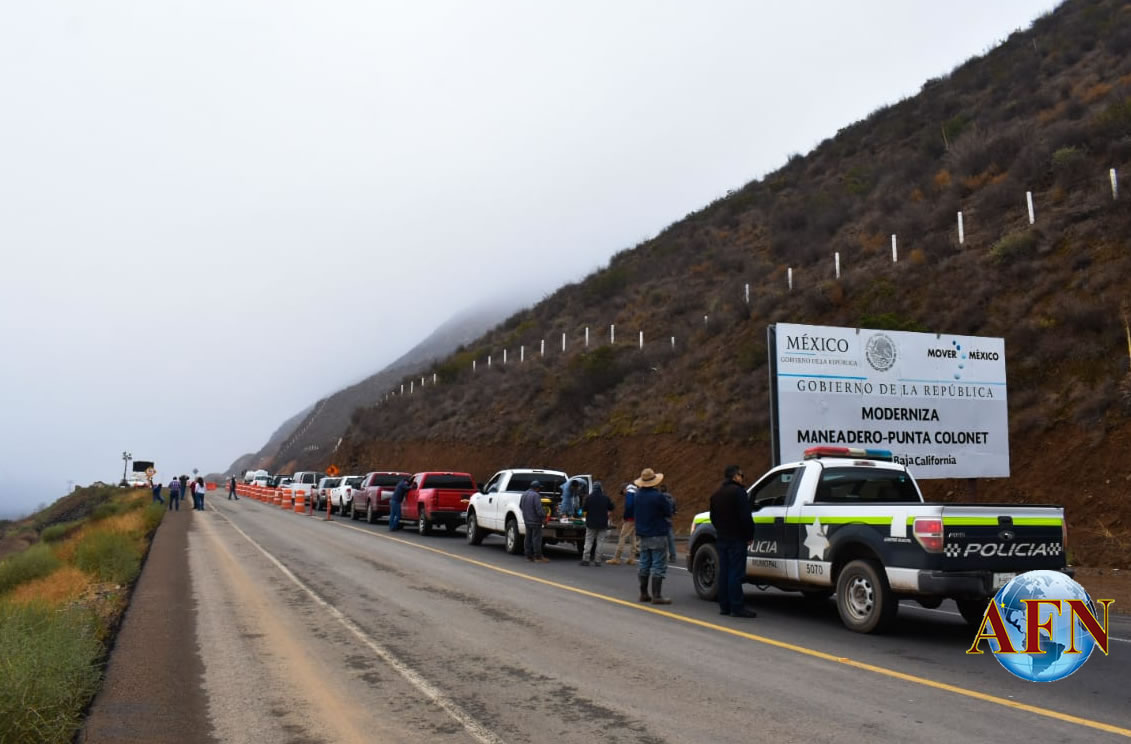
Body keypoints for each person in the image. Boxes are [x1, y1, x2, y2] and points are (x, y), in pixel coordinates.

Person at [710, 465, 756, 618]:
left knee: (724, 572)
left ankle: (725, 606)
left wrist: (721, 531)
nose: (743, 478)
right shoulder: (739, 492)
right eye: (741, 475)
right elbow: (745, 517)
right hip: (737, 539)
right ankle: (737, 607)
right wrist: (749, 535)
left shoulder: (716, 494)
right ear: (735, 476)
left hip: (722, 538)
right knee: (735, 573)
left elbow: (713, 518)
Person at [633, 468, 673, 604]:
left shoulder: (637, 495)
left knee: (644, 563)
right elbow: (668, 511)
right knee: (658, 565)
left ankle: (644, 593)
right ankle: (657, 595)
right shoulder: (658, 496)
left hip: (643, 533)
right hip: (657, 532)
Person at [580, 481, 614, 566]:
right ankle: (597, 560)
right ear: (601, 489)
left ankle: (586, 559)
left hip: (591, 523)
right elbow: (612, 507)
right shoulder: (605, 498)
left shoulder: (589, 498)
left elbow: (584, 509)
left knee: (589, 541)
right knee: (600, 542)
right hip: (603, 523)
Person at [606, 483, 638, 565]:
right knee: (633, 537)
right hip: (637, 518)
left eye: (623, 493)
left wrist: (625, 517)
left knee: (622, 536)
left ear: (624, 489)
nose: (624, 495)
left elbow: (629, 506)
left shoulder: (630, 493)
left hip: (630, 519)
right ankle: (632, 558)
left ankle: (617, 558)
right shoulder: (637, 492)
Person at [520, 480, 548, 562]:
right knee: (536, 539)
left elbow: (521, 506)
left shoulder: (524, 494)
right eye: (539, 488)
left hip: (527, 520)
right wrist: (543, 518)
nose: (540, 490)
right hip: (535, 521)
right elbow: (539, 510)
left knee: (528, 537)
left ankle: (528, 555)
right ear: (536, 488)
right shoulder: (536, 495)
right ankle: (538, 556)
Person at [661, 483, 677, 561]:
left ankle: (662, 556)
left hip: (661, 520)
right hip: (669, 520)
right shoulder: (672, 498)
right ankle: (673, 555)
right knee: (670, 539)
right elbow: (674, 511)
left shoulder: (659, 498)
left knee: (662, 539)